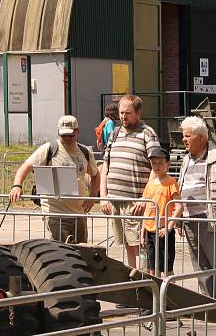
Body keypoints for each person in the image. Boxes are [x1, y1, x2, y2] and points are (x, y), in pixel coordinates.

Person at [9, 115, 99, 243]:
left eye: (70, 135)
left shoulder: (85, 152)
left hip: (79, 213)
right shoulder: (48, 149)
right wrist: (17, 186)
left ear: (77, 132)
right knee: (60, 252)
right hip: (54, 214)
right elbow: (25, 167)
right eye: (63, 135)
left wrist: (92, 197)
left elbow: (95, 175)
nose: (67, 138)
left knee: (82, 253)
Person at [177, 116, 216, 300]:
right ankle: (207, 301)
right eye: (183, 136)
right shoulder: (186, 160)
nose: (184, 140)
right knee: (200, 265)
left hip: (211, 220)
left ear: (201, 137)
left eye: (188, 136)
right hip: (190, 219)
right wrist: (179, 219)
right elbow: (181, 187)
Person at [100, 94, 161, 268]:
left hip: (136, 202)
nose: (123, 117)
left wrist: (144, 198)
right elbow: (106, 165)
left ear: (138, 113)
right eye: (121, 113)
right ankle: (133, 276)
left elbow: (156, 168)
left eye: (128, 113)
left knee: (139, 243)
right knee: (127, 243)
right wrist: (104, 196)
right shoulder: (115, 133)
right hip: (116, 200)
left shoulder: (147, 133)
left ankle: (143, 279)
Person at [138, 147, 183, 277]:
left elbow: (179, 206)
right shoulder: (150, 184)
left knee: (167, 268)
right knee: (152, 267)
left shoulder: (171, 182)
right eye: (154, 163)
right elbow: (147, 209)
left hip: (163, 231)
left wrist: (169, 227)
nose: (156, 166)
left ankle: (169, 295)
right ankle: (155, 295)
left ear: (167, 164)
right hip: (150, 231)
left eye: (160, 163)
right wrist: (143, 232)